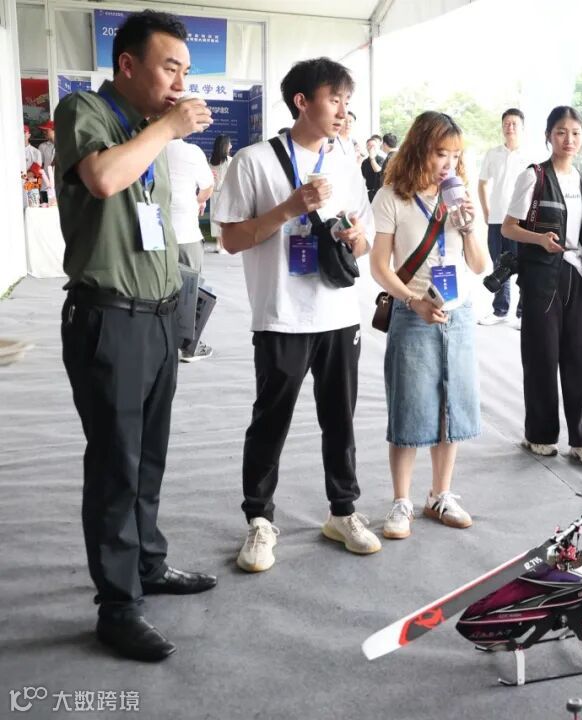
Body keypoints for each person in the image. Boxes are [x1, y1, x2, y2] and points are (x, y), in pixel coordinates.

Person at [53, 9, 217, 662]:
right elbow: (102, 179)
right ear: (127, 64)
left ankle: (148, 563)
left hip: (155, 317)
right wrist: (169, 128)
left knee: (148, 456)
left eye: (186, 70)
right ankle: (117, 607)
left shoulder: (149, 132)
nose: (181, 81)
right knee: (116, 463)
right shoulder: (85, 111)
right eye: (170, 67)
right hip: (109, 318)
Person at [215, 57, 380, 571]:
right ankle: (259, 520)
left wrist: (356, 238)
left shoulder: (346, 160)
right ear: (302, 102)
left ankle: (343, 512)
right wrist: (289, 208)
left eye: (347, 101)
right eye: (334, 99)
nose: (343, 110)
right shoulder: (253, 161)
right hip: (281, 315)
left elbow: (365, 238)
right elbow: (231, 239)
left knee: (340, 419)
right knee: (271, 419)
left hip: (339, 313)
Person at [369, 111, 487, 539]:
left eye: (455, 155)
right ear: (420, 149)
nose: (448, 164)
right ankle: (401, 501)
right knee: (409, 406)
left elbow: (480, 265)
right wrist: (412, 301)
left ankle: (441, 494)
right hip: (413, 311)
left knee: (451, 405)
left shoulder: (460, 198)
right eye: (440, 153)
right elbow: (379, 266)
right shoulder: (391, 198)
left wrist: (468, 228)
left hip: (458, 313)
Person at [502, 106, 582, 465]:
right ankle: (540, 435)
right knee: (541, 357)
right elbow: (508, 227)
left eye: (575, 132)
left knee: (581, 358)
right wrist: (539, 240)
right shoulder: (534, 176)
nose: (569, 139)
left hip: (578, 275)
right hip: (542, 277)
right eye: (561, 132)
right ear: (548, 136)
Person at [164, 137, 215, 362]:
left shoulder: (144, 146)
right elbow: (207, 187)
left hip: (154, 234)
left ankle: (157, 342)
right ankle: (189, 346)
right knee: (190, 293)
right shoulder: (191, 152)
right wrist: (197, 201)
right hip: (185, 232)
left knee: (155, 291)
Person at [477, 108, 528, 327]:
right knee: (499, 264)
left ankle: (523, 313)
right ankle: (500, 310)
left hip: (521, 221)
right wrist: (486, 212)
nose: (510, 127)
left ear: (522, 127)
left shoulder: (530, 155)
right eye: (507, 123)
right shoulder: (493, 154)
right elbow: (482, 184)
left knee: (524, 266)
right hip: (497, 219)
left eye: (515, 123)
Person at [207, 133, 232, 251]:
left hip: (214, 193)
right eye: (229, 144)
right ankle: (223, 245)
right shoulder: (230, 160)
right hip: (225, 194)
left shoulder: (210, 161)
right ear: (225, 145)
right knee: (224, 218)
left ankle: (218, 244)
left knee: (215, 217)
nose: (231, 146)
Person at [361, 134, 385, 202]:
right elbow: (363, 177)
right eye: (369, 146)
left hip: (379, 193)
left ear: (377, 147)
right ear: (366, 147)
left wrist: (372, 158)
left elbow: (377, 170)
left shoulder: (381, 159)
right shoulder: (365, 162)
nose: (371, 148)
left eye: (373, 146)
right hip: (368, 193)